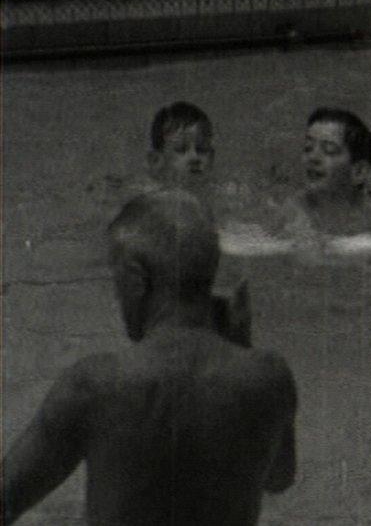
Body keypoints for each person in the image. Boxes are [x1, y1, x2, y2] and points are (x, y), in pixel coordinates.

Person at [2, 190, 297, 525]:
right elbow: (278, 478)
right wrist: (243, 347)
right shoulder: (269, 377)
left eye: (116, 279)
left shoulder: (94, 385)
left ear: (135, 278)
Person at [274, 107, 371, 238]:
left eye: (329, 150)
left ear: (358, 172)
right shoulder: (294, 212)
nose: (313, 158)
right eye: (308, 148)